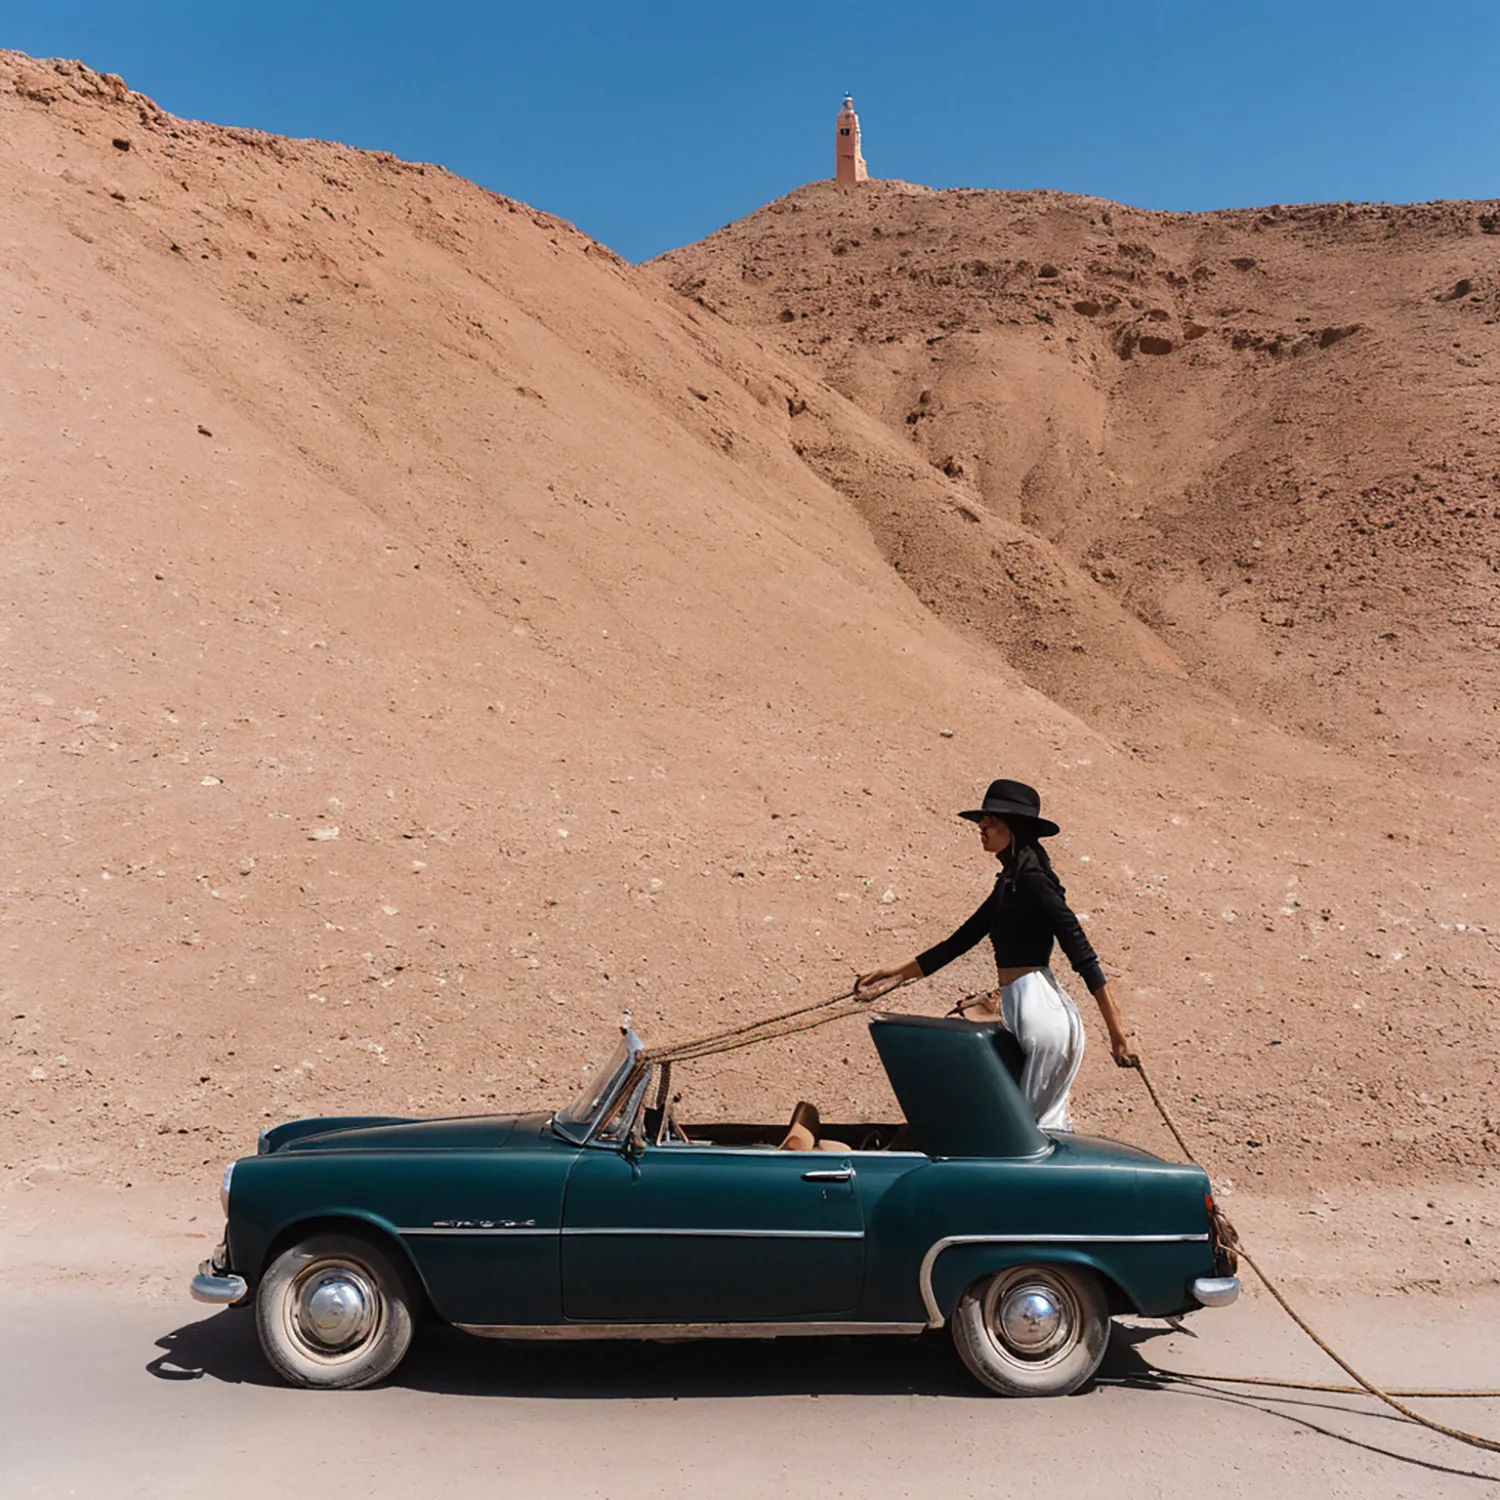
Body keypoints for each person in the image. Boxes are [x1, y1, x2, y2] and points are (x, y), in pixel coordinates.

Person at [858, 779, 1137, 1132]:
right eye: (981, 823)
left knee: (1030, 1131)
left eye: (989, 822)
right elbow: (962, 939)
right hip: (1021, 1006)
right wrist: (894, 973)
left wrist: (1117, 1033)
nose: (981, 829)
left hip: (1040, 1011)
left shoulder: (1035, 881)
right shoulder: (1010, 880)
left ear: (1012, 827)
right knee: (1022, 1127)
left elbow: (1082, 956)